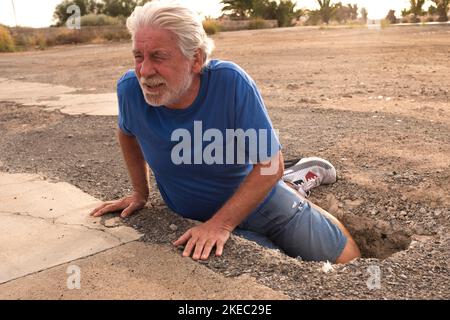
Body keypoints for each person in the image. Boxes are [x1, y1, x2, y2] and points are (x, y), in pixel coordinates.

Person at [90, 0, 361, 264]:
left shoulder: (230, 83)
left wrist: (221, 224)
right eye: (139, 56)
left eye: (158, 57)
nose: (145, 71)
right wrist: (140, 193)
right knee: (273, 267)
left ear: (195, 59)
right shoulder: (129, 90)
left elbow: (269, 165)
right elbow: (127, 133)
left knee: (347, 259)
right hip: (196, 215)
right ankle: (292, 183)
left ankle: (294, 185)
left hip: (259, 198)